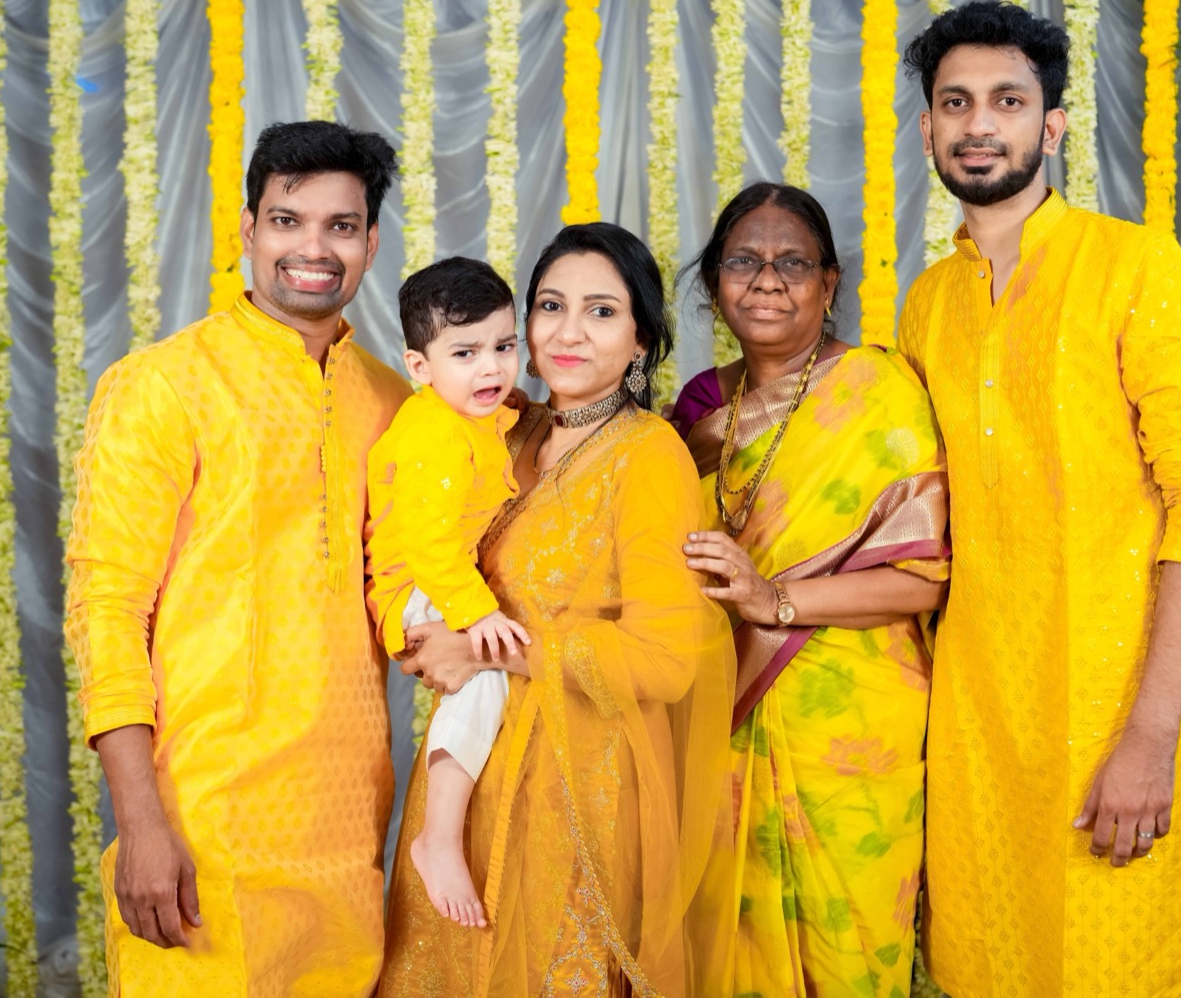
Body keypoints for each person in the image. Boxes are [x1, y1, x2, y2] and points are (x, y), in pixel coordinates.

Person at [896, 1, 1181, 995]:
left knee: (1117, 964)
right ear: (928, 126)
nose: (979, 124)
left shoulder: (1131, 267)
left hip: (1110, 712)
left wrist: (1149, 738)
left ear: (1051, 126)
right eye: (955, 103)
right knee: (984, 964)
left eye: (1007, 101)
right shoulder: (929, 302)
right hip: (976, 722)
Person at [65, 120, 408, 994]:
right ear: (248, 231)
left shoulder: (395, 400)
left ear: (371, 242)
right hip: (203, 823)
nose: (313, 248)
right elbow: (107, 608)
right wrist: (140, 822)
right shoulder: (164, 384)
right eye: (288, 220)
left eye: (341, 226)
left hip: (347, 826)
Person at [380, 223, 734, 996]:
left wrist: (488, 651)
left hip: (577, 801)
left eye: (602, 311)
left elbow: (668, 662)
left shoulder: (648, 458)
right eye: (550, 305)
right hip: (466, 786)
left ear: (641, 340)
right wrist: (425, 638)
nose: (568, 331)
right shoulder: (502, 430)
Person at [672, 182, 951, 998]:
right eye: (744, 261)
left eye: (792, 262)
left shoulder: (878, 391)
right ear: (714, 283)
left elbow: (921, 580)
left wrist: (774, 602)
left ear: (830, 284)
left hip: (853, 732)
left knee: (849, 949)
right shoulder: (699, 409)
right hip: (721, 720)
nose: (767, 279)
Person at [365, 256, 528, 930]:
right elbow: (430, 541)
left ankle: (444, 827)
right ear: (420, 367)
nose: (490, 368)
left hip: (443, 582)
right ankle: (437, 835)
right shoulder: (433, 432)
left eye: (503, 346)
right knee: (486, 678)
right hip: (418, 588)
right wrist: (475, 615)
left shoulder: (469, 415)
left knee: (493, 678)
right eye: (465, 353)